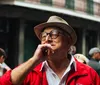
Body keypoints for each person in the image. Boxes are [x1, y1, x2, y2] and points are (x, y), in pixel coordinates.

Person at [0, 15, 99, 85]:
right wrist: (34, 60)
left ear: (68, 41)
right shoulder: (30, 70)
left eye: (54, 34)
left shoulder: (88, 73)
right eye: (44, 36)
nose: (47, 39)